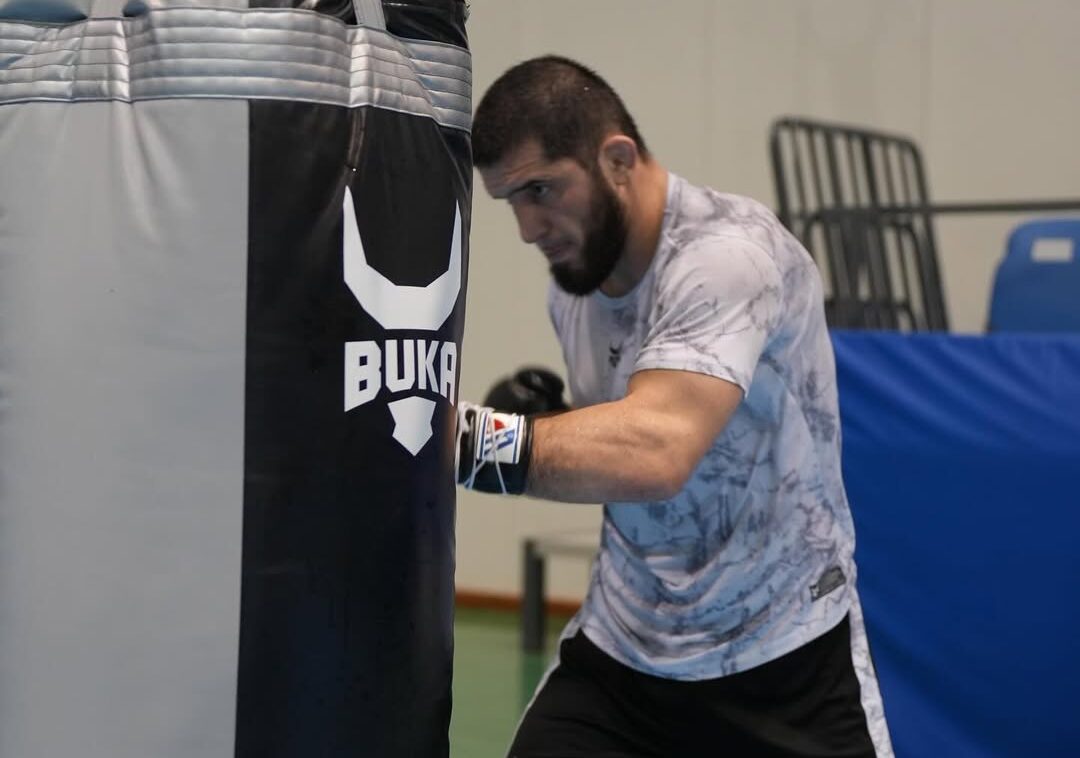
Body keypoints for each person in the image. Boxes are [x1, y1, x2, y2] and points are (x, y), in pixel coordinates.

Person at [456, 55, 894, 758]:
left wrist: (472, 441)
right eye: (511, 200)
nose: (529, 227)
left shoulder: (729, 255)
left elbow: (658, 450)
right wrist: (550, 427)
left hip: (781, 661)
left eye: (542, 188)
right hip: (625, 654)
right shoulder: (573, 284)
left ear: (618, 158)